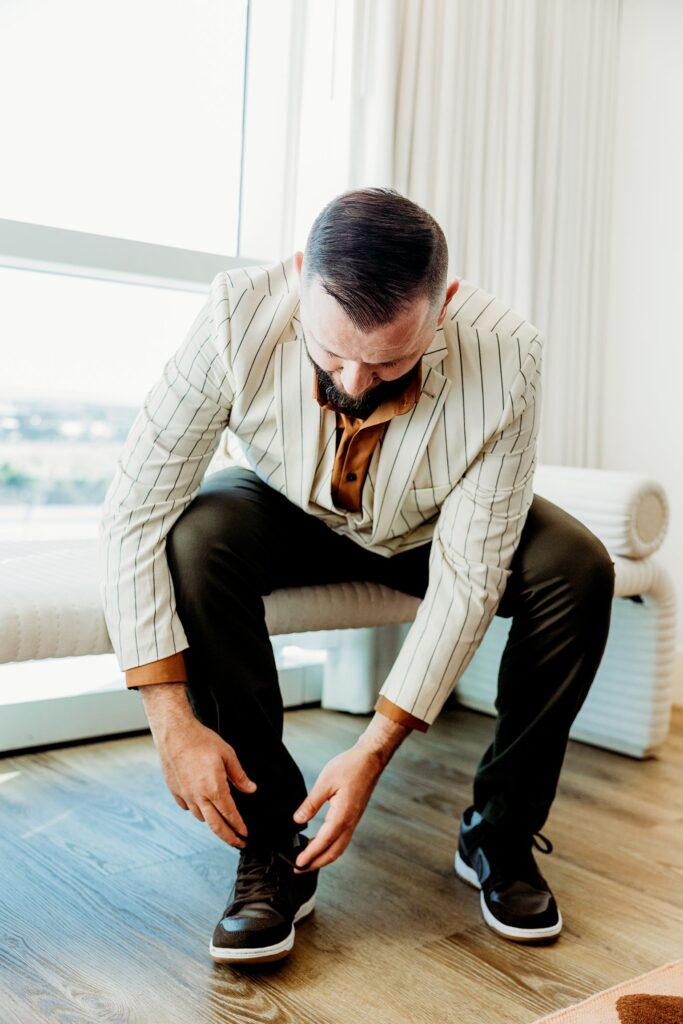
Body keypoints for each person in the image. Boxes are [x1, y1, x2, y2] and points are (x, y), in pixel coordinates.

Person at [98, 187, 615, 965]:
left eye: (389, 360)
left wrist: (375, 744)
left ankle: (498, 834)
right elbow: (135, 510)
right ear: (301, 276)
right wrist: (169, 719)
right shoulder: (236, 313)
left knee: (577, 566)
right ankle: (272, 845)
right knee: (196, 536)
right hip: (287, 508)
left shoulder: (509, 351)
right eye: (330, 350)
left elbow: (470, 572)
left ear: (442, 305)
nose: (355, 379)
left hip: (434, 525)